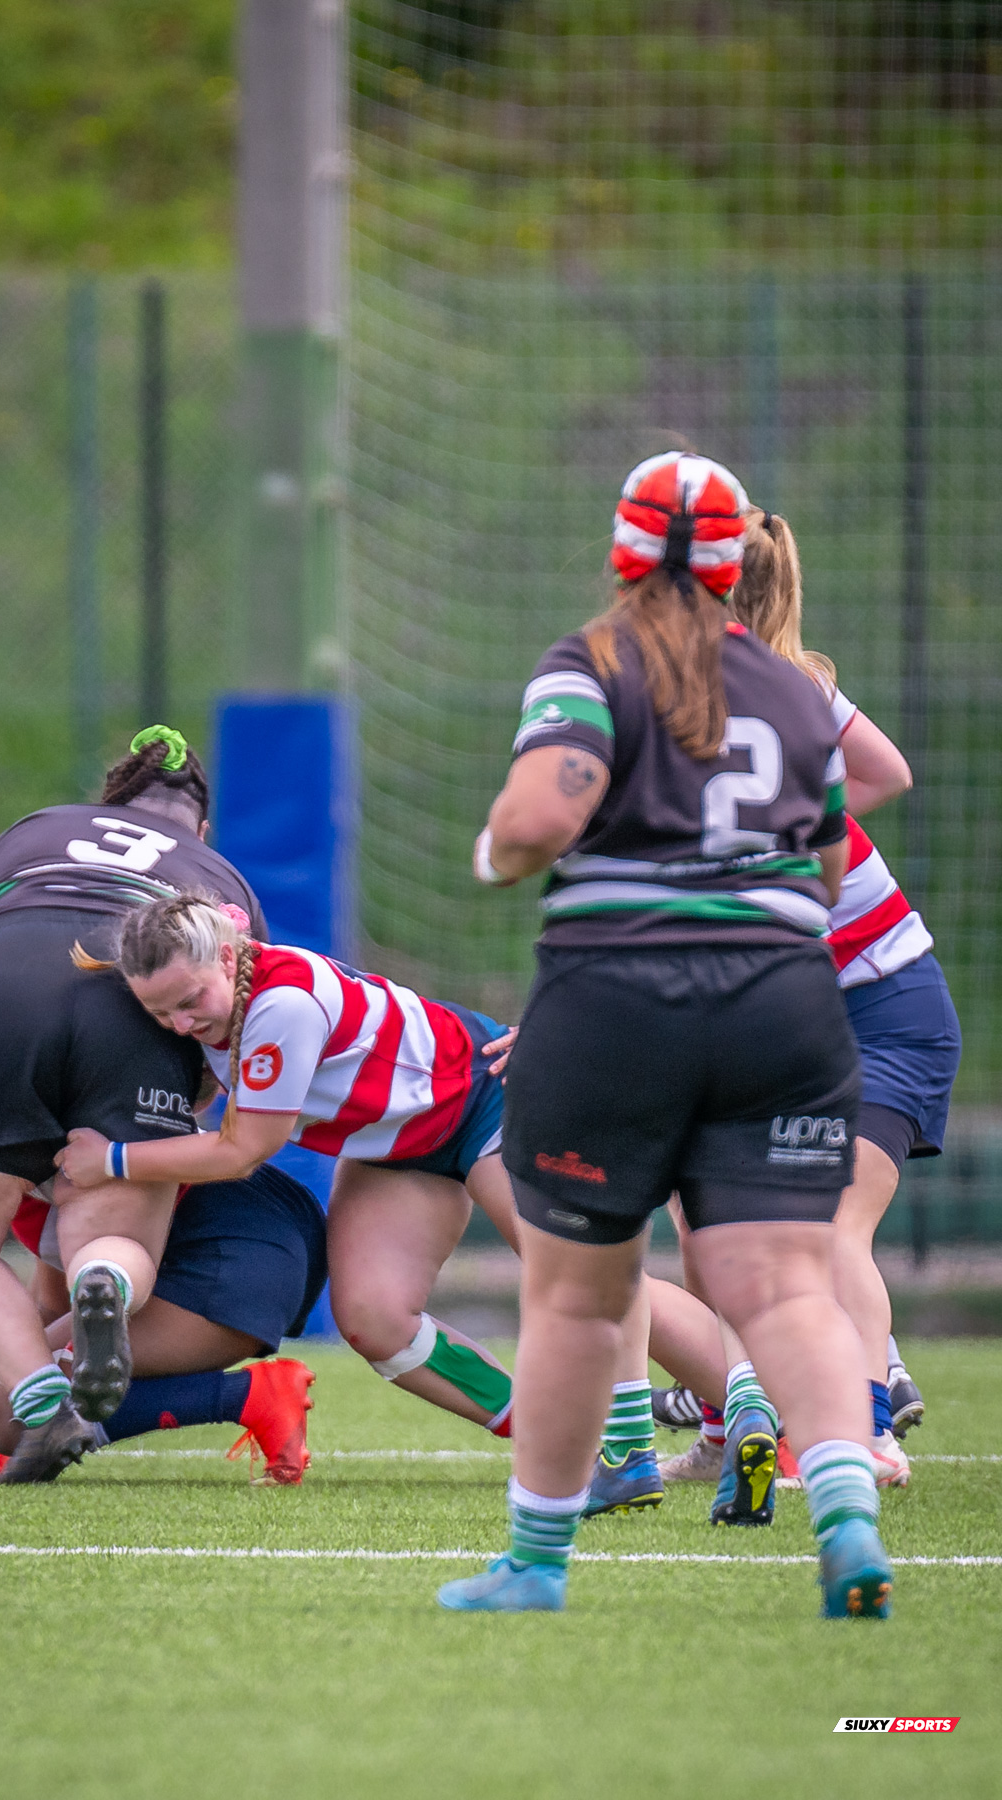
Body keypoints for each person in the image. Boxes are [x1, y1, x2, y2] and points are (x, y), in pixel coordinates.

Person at [436, 450, 892, 1620]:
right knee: (785, 1287)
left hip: (619, 1004)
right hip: (786, 1007)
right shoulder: (799, 692)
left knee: (580, 1296)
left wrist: (497, 853)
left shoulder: (589, 663)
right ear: (739, 561)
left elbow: (541, 816)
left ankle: (535, 1565)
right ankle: (845, 1512)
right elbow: (832, 861)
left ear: (621, 553)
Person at [653, 508, 960, 1494]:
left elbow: (883, 783)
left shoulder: (779, 699)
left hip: (887, 1010)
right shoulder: (723, 705)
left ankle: (867, 1428)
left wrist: (787, 827)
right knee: (705, 1219)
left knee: (830, 1231)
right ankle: (726, 1416)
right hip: (793, 1014)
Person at [0, 725, 270, 1483]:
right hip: (136, 1018)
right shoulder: (221, 877)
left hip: (4, 990)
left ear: (112, 801)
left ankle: (42, 1406)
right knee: (111, 1239)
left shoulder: (39, 828)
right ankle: (108, 1282)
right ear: (199, 829)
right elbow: (225, 1027)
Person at [56, 895, 522, 1438]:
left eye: (189, 1001)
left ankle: (623, 1437)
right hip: (401, 1151)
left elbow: (240, 1152)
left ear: (228, 960)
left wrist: (111, 1160)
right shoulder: (222, 998)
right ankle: (551, 1433)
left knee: (576, 1279)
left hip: (486, 1098)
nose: (179, 1025)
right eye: (160, 1014)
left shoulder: (281, 1007)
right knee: (376, 1322)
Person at [0, 1162, 327, 1485]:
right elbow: (60, 1308)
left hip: (234, 1257)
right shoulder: (53, 1130)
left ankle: (244, 1397)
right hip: (273, 1222)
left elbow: (57, 1310)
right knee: (35, 1371)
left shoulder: (38, 1176)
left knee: (3, 1411)